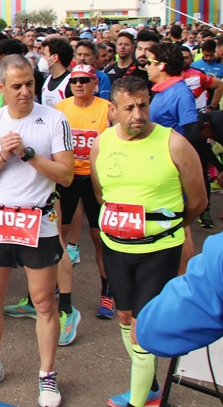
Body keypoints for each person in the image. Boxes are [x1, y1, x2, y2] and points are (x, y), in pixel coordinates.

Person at [0, 54, 74, 407]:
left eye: (30, 84)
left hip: (37, 222)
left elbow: (67, 176)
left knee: (43, 302)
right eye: (17, 86)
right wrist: (3, 156)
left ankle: (47, 375)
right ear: (1, 88)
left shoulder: (54, 119)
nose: (25, 92)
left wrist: (27, 154)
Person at [92, 76, 205, 407]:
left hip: (158, 252)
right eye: (129, 108)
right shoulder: (103, 143)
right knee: (125, 318)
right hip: (116, 248)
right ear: (113, 110)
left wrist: (166, 229)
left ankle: (137, 403)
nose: (138, 114)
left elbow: (198, 201)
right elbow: (102, 195)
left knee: (143, 327)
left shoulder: (174, 143)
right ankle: (150, 385)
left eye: (143, 105)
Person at [53, 64, 112, 323]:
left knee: (99, 239)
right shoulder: (61, 108)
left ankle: (108, 291)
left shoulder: (106, 108)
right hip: (67, 178)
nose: (78, 84)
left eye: (84, 81)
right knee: (59, 237)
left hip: (94, 179)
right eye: (74, 80)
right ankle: (57, 285)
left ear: (94, 83)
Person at [145, 43, 198, 136]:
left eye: (149, 62)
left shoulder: (181, 93)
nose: (146, 66)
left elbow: (191, 132)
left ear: (161, 65)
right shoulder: (163, 90)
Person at [40, 37, 73, 108]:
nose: (42, 58)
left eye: (44, 54)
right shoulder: (47, 79)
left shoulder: (71, 83)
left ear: (54, 57)